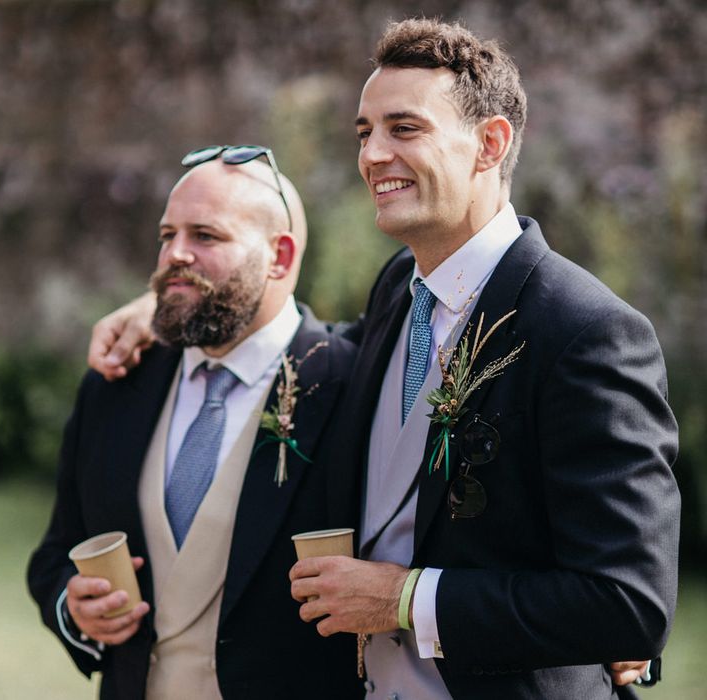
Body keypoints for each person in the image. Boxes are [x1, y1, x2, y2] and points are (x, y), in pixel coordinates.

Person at [87, 20, 679, 698]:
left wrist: (406, 601)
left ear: (490, 144)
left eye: (404, 129)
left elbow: (629, 604)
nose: (372, 155)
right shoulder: (400, 290)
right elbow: (308, 343)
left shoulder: (585, 331)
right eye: (364, 133)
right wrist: (164, 309)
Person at [27, 149, 361, 700]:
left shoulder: (349, 386)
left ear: (279, 256)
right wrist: (74, 604)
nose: (173, 255)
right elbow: (55, 551)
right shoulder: (115, 385)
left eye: (204, 236)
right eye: (167, 235)